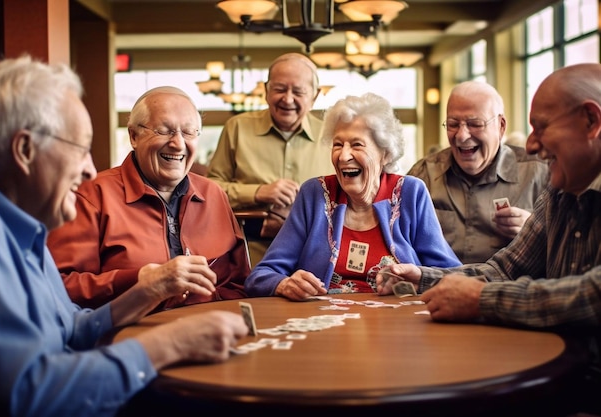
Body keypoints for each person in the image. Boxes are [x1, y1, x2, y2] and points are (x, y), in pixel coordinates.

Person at [0, 55, 249, 417]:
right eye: (79, 147)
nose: (90, 167)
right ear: (25, 150)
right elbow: (26, 395)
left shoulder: (28, 231)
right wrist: (168, 343)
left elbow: (71, 326)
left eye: (189, 133)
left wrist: (150, 289)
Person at [377, 63, 601, 415]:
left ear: (591, 121)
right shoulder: (560, 191)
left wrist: (482, 299)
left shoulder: (545, 177)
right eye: (453, 124)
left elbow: (593, 294)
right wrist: (423, 278)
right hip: (556, 375)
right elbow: (506, 269)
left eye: (541, 127)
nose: (530, 144)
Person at [47, 85, 250, 310]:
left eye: (189, 132)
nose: (178, 143)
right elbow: (57, 285)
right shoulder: (92, 196)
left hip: (209, 333)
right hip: (128, 336)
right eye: (164, 130)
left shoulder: (214, 195)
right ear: (134, 136)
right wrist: (140, 281)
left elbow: (239, 282)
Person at [245, 93, 461, 300]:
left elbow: (452, 275)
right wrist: (284, 284)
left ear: (384, 154)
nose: (344, 155)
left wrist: (419, 277)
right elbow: (261, 275)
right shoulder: (315, 194)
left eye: (357, 145)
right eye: (338, 145)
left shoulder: (410, 193)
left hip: (396, 322)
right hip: (323, 322)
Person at [207, 52, 334, 267]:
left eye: (298, 91)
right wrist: (257, 192)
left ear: (315, 96)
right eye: (280, 89)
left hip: (316, 261)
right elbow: (210, 191)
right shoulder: (237, 128)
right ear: (266, 91)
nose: (288, 99)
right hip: (250, 258)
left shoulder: (332, 137)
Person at [407, 81, 549, 263]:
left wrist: (536, 231)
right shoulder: (423, 175)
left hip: (507, 289)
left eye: (475, 124)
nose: (461, 135)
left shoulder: (540, 174)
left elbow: (568, 251)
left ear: (501, 126)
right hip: (434, 288)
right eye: (453, 124)